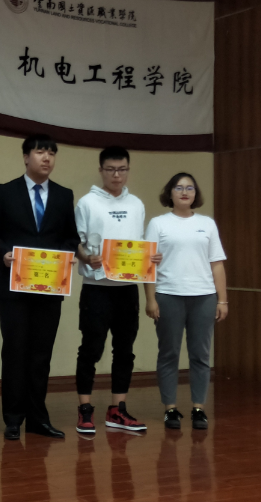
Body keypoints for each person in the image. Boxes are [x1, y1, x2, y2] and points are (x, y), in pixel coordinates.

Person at [0, 134, 80, 441]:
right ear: (26, 157)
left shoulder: (63, 195)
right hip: (13, 288)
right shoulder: (4, 192)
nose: (46, 158)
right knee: (15, 351)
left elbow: (71, 238)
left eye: (51, 153)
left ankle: (38, 418)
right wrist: (4, 254)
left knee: (41, 354)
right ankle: (13, 418)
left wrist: (66, 256)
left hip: (49, 287)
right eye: (40, 152)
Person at [73, 146, 160, 434]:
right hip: (96, 287)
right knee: (91, 348)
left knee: (125, 350)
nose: (116, 175)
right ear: (101, 170)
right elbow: (76, 242)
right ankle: (85, 409)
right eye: (110, 169)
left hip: (127, 289)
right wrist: (87, 257)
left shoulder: (136, 204)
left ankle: (117, 410)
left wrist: (151, 258)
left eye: (122, 169)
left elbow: (140, 245)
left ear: (128, 170)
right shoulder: (87, 203)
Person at [143, 172, 228, 430]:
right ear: (170, 193)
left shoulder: (207, 224)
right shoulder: (158, 224)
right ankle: (170, 409)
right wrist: (150, 299)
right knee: (169, 353)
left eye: (190, 188)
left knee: (200, 355)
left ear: (195, 194)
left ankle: (198, 408)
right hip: (168, 295)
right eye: (179, 188)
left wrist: (222, 300)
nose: (184, 192)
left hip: (204, 296)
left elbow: (217, 264)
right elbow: (148, 264)